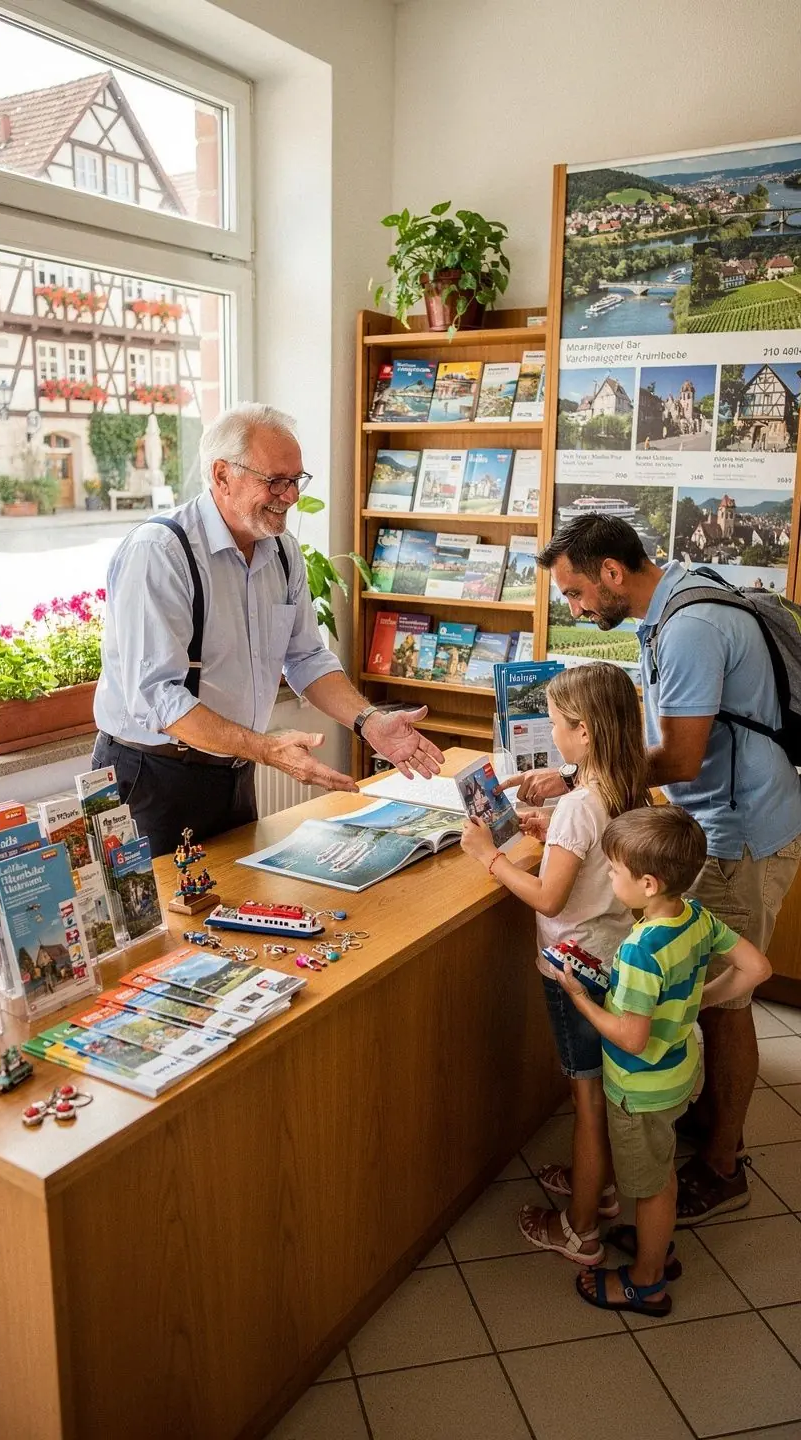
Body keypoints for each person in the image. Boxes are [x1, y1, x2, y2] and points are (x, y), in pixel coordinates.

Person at [505, 515, 801, 1222]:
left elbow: (681, 758)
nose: (573, 609)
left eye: (575, 593)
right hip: (726, 822)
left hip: (739, 834)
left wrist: (581, 780)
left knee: (727, 1004)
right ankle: (700, 1117)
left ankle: (723, 1163)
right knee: (702, 986)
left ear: (612, 571)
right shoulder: (682, 598)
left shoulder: (690, 627)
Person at [93, 403, 443, 855]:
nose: (291, 496)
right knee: (160, 923)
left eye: (296, 480)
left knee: (236, 914)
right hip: (150, 780)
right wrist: (269, 749)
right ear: (222, 476)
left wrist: (369, 722)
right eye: (275, 481)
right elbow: (160, 699)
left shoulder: (282, 552)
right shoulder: (161, 552)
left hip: (233, 775)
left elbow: (306, 658)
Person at [461, 663, 649, 1265]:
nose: (550, 732)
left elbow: (549, 897)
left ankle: (580, 1228)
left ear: (585, 731)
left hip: (575, 972)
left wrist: (489, 856)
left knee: (587, 1098)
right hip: (611, 960)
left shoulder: (577, 806)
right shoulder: (622, 790)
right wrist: (554, 829)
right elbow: (593, 857)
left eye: (555, 721)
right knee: (596, 1087)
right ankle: (604, 1188)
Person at [559, 806, 770, 1317]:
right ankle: (657, 1243)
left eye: (613, 870)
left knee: (651, 1186)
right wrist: (700, 1001)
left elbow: (631, 1038)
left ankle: (646, 1279)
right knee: (662, 1168)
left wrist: (579, 996)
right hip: (678, 1071)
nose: (609, 875)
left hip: (640, 1088)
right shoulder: (695, 916)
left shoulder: (639, 951)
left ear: (648, 883)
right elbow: (757, 967)